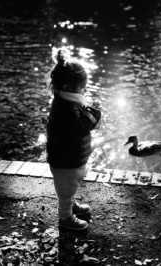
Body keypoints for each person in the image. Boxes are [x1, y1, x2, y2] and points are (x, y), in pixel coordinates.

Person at [46, 50, 101, 230]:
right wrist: (95, 111)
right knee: (66, 190)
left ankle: (70, 204)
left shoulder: (67, 102)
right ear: (68, 88)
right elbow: (82, 126)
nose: (84, 90)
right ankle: (66, 218)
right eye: (82, 87)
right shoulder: (67, 109)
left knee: (69, 188)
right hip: (65, 161)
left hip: (70, 158)